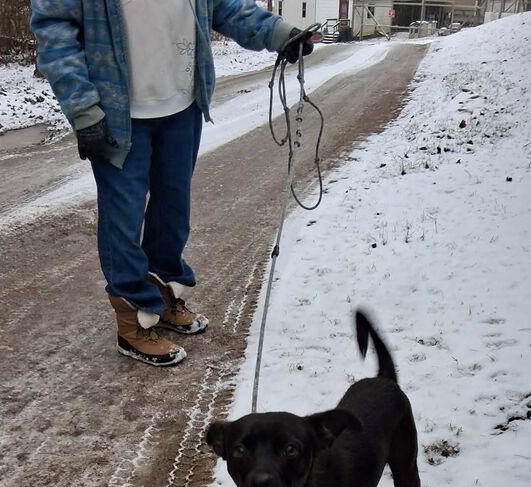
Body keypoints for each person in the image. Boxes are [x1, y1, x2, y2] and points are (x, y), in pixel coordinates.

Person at [31, 0, 319, 367]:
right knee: (123, 218)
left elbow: (225, 7)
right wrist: (83, 109)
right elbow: (55, 30)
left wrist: (279, 34)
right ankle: (133, 321)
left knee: (173, 211)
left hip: (182, 106)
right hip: (117, 113)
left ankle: (163, 292)